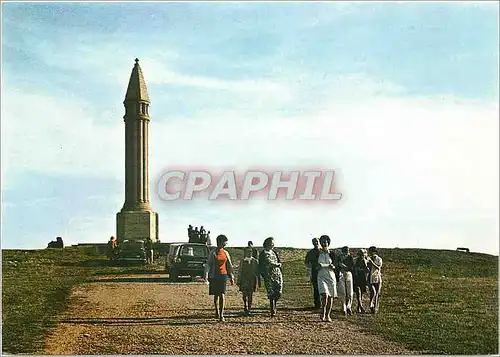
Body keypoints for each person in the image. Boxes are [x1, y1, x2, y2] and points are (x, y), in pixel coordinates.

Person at [204, 234, 234, 322]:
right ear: (220, 242)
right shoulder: (213, 252)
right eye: (224, 242)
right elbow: (208, 264)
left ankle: (221, 315)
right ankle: (216, 311)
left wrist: (231, 276)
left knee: (222, 294)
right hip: (214, 275)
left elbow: (229, 265)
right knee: (216, 295)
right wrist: (206, 275)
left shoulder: (225, 253)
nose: (225, 244)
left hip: (223, 275)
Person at [259, 237, 283, 317]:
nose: (272, 244)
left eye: (273, 243)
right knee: (271, 293)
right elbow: (265, 263)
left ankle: (274, 304)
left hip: (277, 275)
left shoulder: (274, 252)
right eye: (271, 243)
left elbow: (279, 262)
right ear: (267, 244)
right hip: (268, 276)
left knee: (278, 292)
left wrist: (279, 267)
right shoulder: (263, 254)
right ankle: (272, 309)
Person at [316, 235, 337, 322]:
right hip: (321, 275)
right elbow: (314, 265)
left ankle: (328, 315)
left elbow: (336, 265)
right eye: (323, 242)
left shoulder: (332, 254)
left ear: (328, 243)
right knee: (325, 294)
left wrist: (333, 266)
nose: (324, 244)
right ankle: (323, 312)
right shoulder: (318, 253)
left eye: (326, 242)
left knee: (330, 296)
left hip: (330, 276)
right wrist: (318, 266)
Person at [237, 246, 261, 315]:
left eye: (251, 252)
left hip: (252, 280)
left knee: (250, 295)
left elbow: (257, 272)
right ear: (245, 252)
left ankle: (249, 309)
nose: (249, 253)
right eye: (248, 251)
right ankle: (245, 305)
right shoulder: (243, 261)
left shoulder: (255, 261)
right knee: (244, 295)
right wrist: (239, 280)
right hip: (244, 280)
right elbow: (240, 271)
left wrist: (258, 281)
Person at [337, 246, 355, 315]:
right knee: (343, 292)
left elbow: (352, 267)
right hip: (341, 274)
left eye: (347, 251)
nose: (346, 252)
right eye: (345, 251)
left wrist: (344, 266)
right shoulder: (339, 257)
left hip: (348, 273)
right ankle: (344, 307)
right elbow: (337, 266)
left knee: (350, 292)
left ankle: (349, 307)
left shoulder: (350, 257)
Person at [304, 237, 321, 309]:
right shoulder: (310, 253)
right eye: (314, 242)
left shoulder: (323, 251)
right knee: (316, 289)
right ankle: (317, 304)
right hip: (315, 272)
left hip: (323, 271)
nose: (316, 243)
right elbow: (306, 262)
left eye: (317, 241)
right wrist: (311, 268)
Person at [353, 248, 370, 313]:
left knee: (361, 293)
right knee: (358, 292)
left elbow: (367, 270)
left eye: (362, 254)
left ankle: (358, 307)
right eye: (360, 255)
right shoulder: (355, 260)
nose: (361, 256)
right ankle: (361, 307)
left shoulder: (366, 261)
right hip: (357, 278)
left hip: (363, 278)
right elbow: (354, 268)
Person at [367, 246, 383, 313]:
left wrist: (372, 263)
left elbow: (378, 267)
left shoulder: (379, 259)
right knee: (373, 292)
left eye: (371, 252)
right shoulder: (369, 259)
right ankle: (371, 304)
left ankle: (375, 308)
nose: (370, 253)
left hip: (377, 278)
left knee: (377, 294)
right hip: (370, 277)